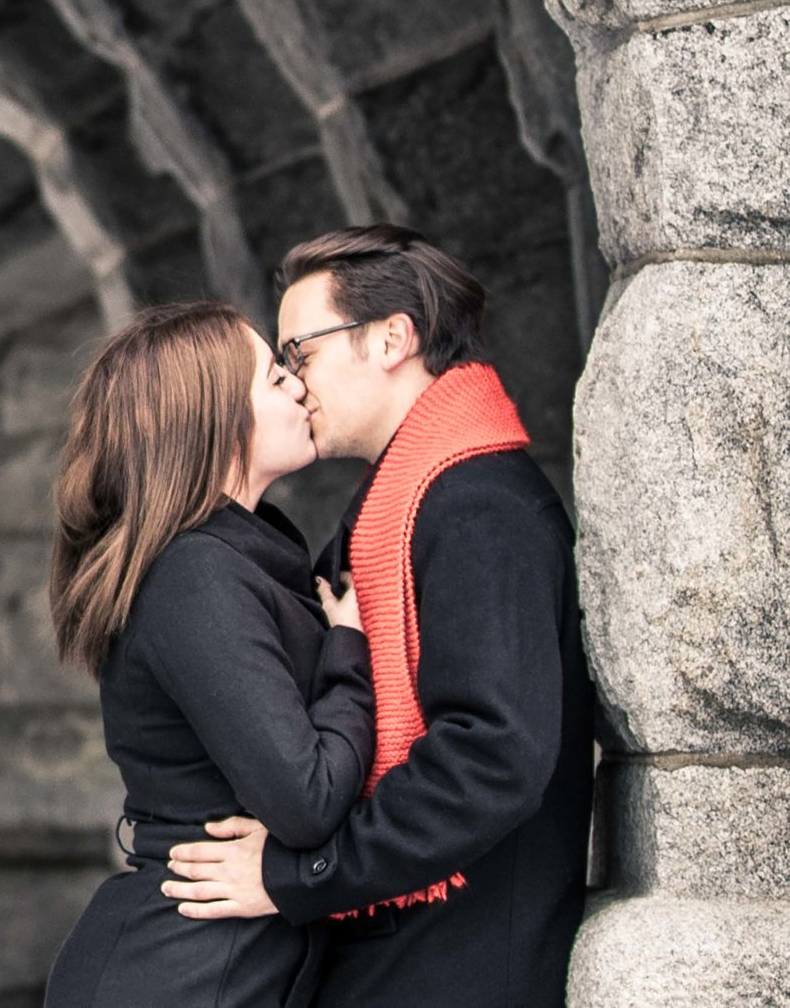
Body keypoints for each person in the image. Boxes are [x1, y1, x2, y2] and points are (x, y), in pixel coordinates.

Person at [161, 226, 595, 1008]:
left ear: (393, 337)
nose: (294, 384)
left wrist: (297, 874)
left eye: (302, 353)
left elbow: (493, 756)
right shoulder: (399, 505)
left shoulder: (479, 509)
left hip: (457, 968)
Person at [44, 301, 374, 1008]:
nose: (296, 384)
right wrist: (350, 648)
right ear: (215, 419)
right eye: (270, 376)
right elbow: (308, 798)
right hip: (183, 974)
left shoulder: (239, 559)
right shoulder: (196, 575)